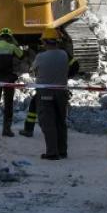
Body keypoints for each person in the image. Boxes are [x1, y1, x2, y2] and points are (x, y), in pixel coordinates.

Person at [32, 28, 71, 160]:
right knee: (61, 120)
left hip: (45, 92)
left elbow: (33, 70)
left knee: (48, 122)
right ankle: (62, 151)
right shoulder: (64, 54)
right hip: (62, 92)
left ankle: (52, 153)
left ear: (44, 42)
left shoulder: (40, 57)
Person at [0, 27, 24, 136]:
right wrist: (15, 43)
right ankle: (6, 130)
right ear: (10, 38)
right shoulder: (11, 46)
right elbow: (22, 55)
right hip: (8, 79)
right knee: (8, 104)